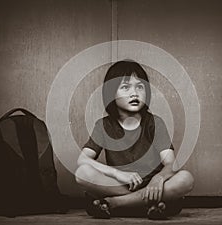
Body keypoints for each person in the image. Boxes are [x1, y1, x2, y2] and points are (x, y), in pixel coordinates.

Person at [75, 60, 194, 219]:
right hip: (121, 186)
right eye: (125, 87)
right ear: (111, 94)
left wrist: (158, 178)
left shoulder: (154, 123)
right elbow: (83, 160)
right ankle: (144, 204)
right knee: (82, 173)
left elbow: (171, 163)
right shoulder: (104, 125)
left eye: (140, 87)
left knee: (186, 179)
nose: (134, 93)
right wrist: (117, 174)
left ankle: (115, 204)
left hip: (154, 187)